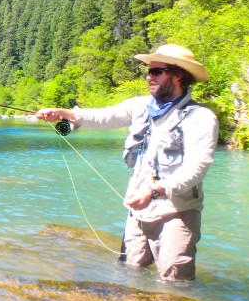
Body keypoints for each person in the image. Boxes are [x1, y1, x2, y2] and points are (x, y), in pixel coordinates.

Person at [36, 44, 219, 281]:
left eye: (156, 72)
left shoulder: (201, 117)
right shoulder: (140, 106)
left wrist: (154, 191)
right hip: (138, 210)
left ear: (178, 74)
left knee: (176, 283)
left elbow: (198, 167)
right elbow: (103, 117)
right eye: (149, 71)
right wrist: (64, 113)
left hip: (177, 211)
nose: (147, 76)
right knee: (131, 272)